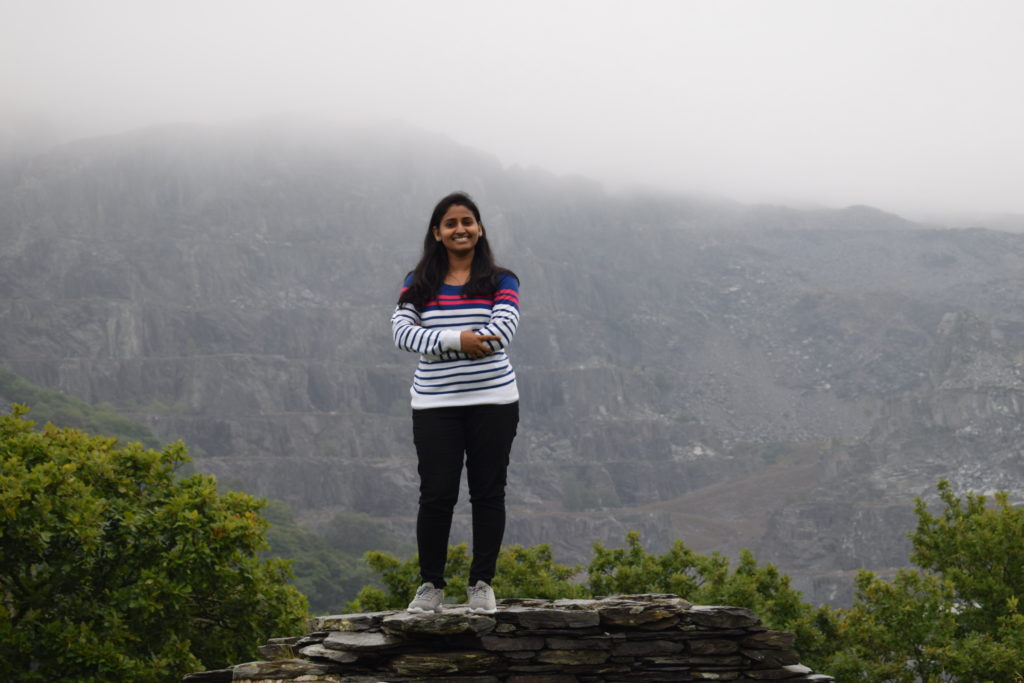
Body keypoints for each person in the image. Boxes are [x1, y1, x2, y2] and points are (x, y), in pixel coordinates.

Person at [390, 191, 520, 614]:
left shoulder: (503, 280)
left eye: (467, 221)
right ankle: (431, 585)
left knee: (487, 492)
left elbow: (501, 333)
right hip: (434, 405)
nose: (460, 229)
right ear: (437, 233)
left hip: (494, 401)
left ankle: (481, 583)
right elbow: (401, 334)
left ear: (479, 228)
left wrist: (437, 344)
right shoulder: (418, 282)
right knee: (436, 495)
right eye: (451, 223)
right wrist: (459, 339)